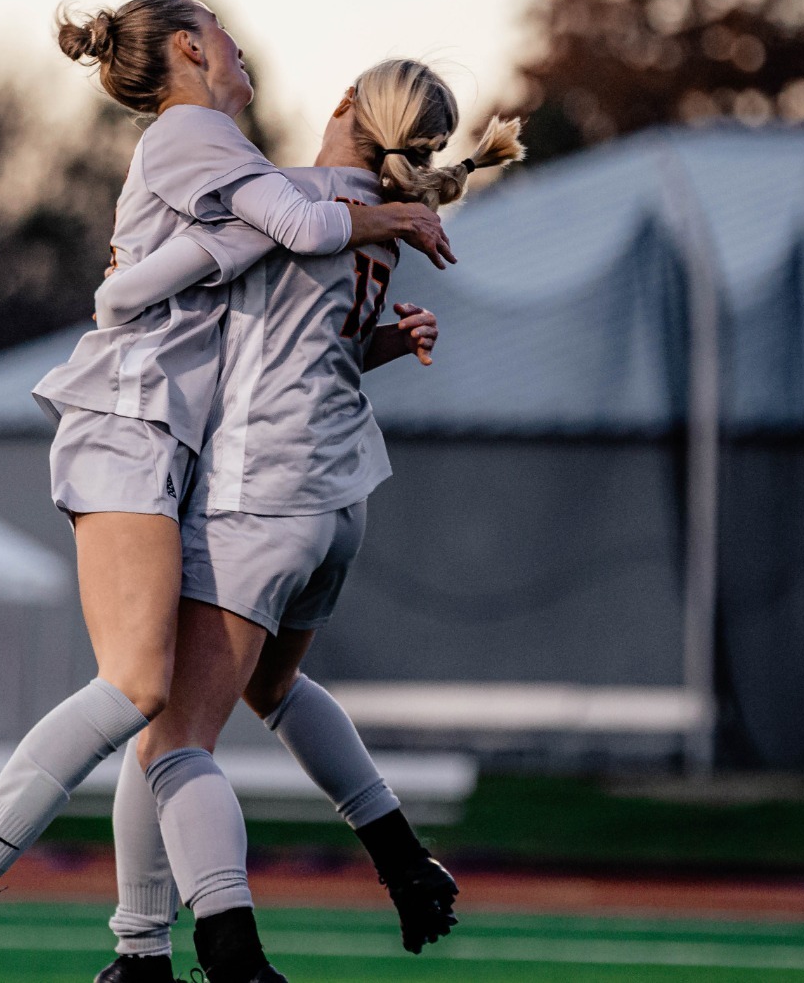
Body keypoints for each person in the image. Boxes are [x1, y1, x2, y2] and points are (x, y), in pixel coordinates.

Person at [0, 0, 450, 983]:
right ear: (192, 51)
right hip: (172, 435)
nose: (247, 53)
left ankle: (133, 946)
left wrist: (215, 261)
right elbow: (272, 233)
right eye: (231, 38)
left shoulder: (260, 169)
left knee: (158, 715)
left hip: (219, 459)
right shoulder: (214, 139)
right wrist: (386, 217)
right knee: (152, 698)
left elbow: (166, 282)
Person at [89, 58, 522, 982]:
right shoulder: (374, 223)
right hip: (337, 503)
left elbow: (269, 232)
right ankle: (403, 859)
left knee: (169, 743)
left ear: (342, 106)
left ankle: (227, 956)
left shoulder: (293, 194)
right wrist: (390, 338)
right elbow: (308, 342)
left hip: (262, 491)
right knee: (272, 690)